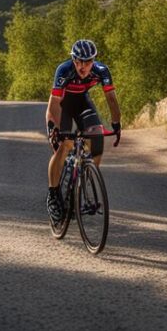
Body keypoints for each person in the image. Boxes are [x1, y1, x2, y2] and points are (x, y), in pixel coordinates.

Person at [45, 39, 121, 222]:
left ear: (94, 60)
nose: (82, 66)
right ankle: (53, 195)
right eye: (78, 61)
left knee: (97, 140)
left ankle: (81, 182)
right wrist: (53, 128)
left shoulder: (101, 71)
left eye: (87, 61)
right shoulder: (64, 70)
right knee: (64, 145)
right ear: (73, 59)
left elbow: (111, 98)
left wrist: (116, 124)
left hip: (83, 104)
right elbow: (55, 104)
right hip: (61, 107)